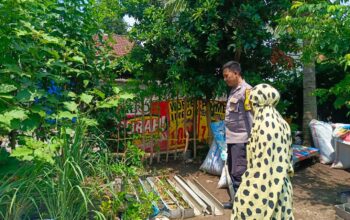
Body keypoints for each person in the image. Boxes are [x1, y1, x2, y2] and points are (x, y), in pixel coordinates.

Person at [231, 83, 294, 220]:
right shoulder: (283, 123)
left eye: (253, 104)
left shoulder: (262, 126)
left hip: (262, 188)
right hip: (282, 187)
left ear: (257, 104)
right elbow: (289, 158)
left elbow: (260, 166)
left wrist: (247, 188)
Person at [222, 61, 253, 209]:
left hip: (242, 140)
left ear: (236, 73)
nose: (225, 79)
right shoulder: (234, 91)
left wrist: (253, 139)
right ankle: (236, 202)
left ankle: (243, 206)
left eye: (227, 76)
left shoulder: (246, 91)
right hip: (232, 139)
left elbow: (251, 117)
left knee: (239, 172)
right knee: (232, 171)